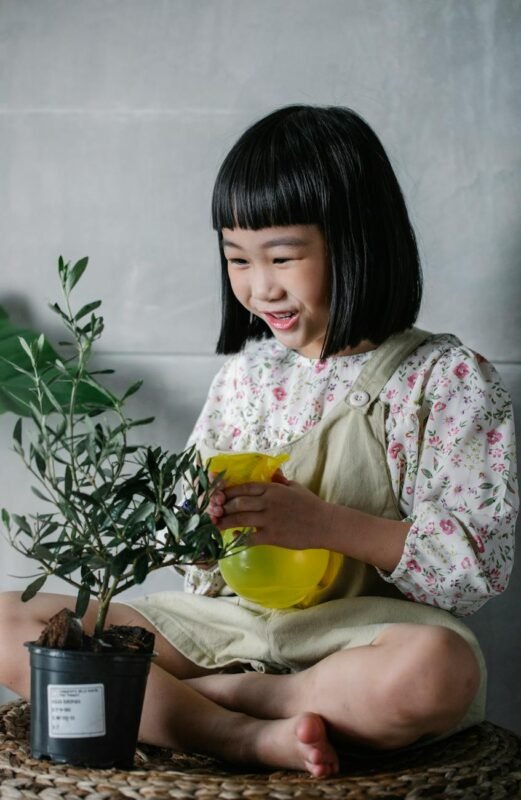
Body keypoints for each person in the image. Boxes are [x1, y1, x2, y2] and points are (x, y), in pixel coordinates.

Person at [0, 105, 517, 779]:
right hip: (226, 628)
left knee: (434, 671)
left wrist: (325, 525)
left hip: (360, 636)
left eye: (282, 256)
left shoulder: (444, 380)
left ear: (358, 241)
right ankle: (237, 732)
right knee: (14, 622)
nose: (258, 286)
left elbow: (477, 565)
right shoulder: (245, 377)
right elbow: (190, 563)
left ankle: (216, 705)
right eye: (237, 259)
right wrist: (191, 521)